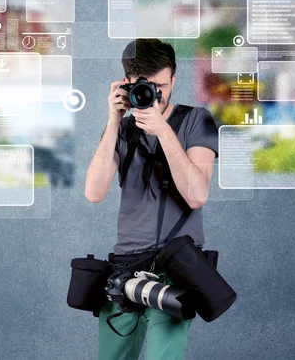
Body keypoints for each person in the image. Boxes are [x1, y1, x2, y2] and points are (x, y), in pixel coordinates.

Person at [85, 38, 219, 360]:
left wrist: (163, 130)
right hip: (125, 270)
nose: (155, 94)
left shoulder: (196, 120)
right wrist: (114, 119)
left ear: (174, 79)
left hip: (175, 269)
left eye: (161, 85)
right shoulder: (122, 128)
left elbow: (197, 194)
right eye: (146, 86)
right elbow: (94, 192)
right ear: (127, 83)